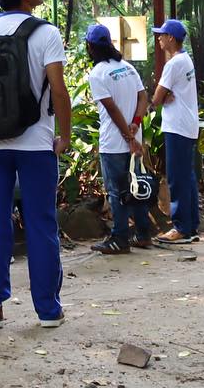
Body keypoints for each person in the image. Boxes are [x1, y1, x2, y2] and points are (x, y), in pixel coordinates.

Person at [0, 0, 71, 330]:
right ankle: (48, 310)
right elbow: (58, 89)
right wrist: (66, 134)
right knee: (41, 224)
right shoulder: (46, 33)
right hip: (36, 143)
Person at [85, 24, 152, 254]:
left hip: (114, 143)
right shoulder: (127, 67)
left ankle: (120, 238)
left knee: (117, 191)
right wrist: (136, 124)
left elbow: (112, 109)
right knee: (136, 187)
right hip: (133, 138)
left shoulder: (97, 73)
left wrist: (127, 135)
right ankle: (143, 234)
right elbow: (143, 97)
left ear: (90, 47)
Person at [150, 18, 200, 244]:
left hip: (177, 126)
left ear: (171, 38)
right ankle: (191, 224)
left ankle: (180, 227)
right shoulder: (186, 60)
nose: (159, 38)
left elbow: (157, 96)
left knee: (176, 178)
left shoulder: (173, 64)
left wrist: (157, 99)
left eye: (162, 34)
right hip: (187, 125)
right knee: (186, 176)